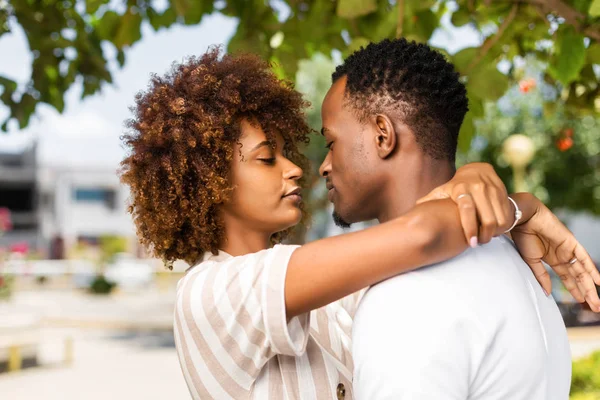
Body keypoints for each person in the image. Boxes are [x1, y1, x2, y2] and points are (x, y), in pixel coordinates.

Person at [118, 47, 600, 399]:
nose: (297, 169)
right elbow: (423, 233)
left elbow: (410, 235)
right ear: (209, 181)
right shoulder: (210, 293)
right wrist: (517, 206)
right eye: (267, 159)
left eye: (290, 152)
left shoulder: (323, 283)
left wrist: (494, 190)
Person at [324, 39, 600, 399]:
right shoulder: (520, 265)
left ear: (382, 134)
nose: (324, 165)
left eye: (330, 143)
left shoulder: (407, 299)